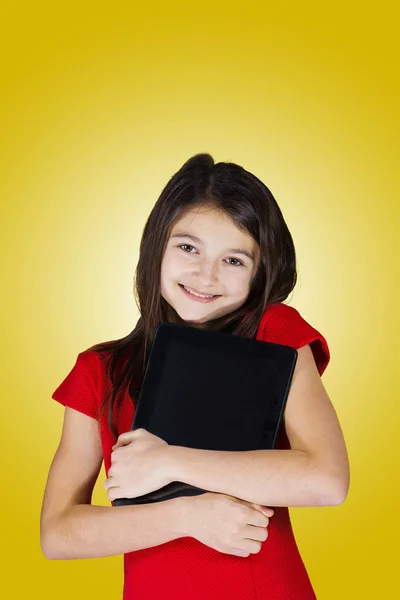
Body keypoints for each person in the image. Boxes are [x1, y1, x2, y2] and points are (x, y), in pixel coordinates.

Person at [40, 153, 350, 600]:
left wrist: (169, 461)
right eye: (188, 247)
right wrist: (187, 517)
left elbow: (327, 479)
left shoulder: (273, 334)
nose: (207, 275)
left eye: (235, 260)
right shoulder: (100, 372)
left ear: (261, 271)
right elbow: (58, 533)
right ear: (156, 248)